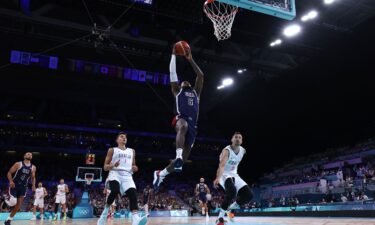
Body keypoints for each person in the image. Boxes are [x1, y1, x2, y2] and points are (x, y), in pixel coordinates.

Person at [153, 44, 204, 189]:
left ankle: (160, 174)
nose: (185, 81)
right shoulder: (176, 91)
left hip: (194, 126)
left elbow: (200, 76)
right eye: (183, 81)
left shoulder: (196, 93)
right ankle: (179, 153)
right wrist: (174, 55)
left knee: (179, 163)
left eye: (188, 81)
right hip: (180, 119)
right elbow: (172, 72)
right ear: (180, 85)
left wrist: (190, 59)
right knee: (183, 125)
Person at [97, 132, 147, 225]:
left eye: (125, 137)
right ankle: (104, 213)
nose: (124, 138)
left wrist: (135, 168)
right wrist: (113, 165)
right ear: (117, 140)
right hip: (115, 173)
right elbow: (105, 167)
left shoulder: (132, 151)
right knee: (115, 190)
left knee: (133, 194)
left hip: (127, 175)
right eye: (121, 137)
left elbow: (133, 165)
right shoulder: (112, 150)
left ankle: (135, 219)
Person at [213, 132, 253, 225]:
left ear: (242, 141)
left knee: (249, 195)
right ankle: (220, 219)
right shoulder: (226, 150)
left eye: (240, 137)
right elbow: (222, 165)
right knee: (232, 192)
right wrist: (217, 178)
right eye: (236, 137)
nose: (238, 139)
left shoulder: (243, 151)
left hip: (234, 174)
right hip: (224, 174)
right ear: (232, 139)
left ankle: (230, 208)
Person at [3, 152, 36, 225]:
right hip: (15, 185)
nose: (29, 155)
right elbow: (9, 173)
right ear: (24, 156)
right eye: (28, 154)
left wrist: (33, 185)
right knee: (13, 202)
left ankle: (8, 220)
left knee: (18, 205)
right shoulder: (18, 164)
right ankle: (6, 201)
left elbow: (33, 178)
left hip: (24, 187)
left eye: (31, 154)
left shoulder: (33, 167)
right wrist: (11, 181)